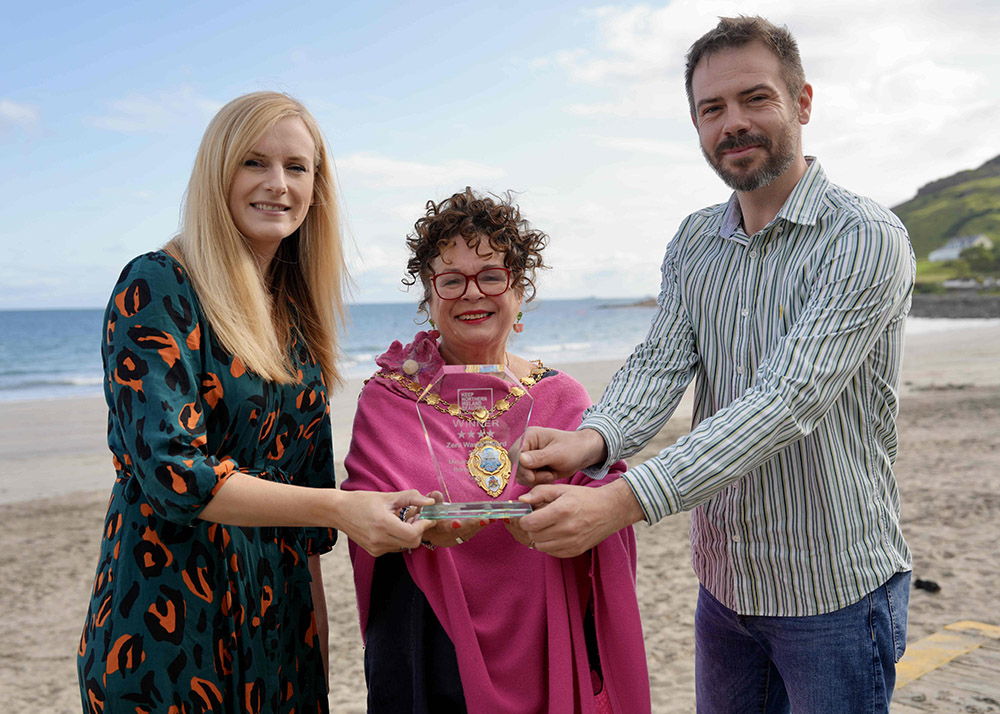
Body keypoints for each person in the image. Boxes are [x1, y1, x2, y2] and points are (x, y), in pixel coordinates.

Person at [516, 16, 915, 714]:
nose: (733, 122)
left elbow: (786, 401)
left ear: (803, 103)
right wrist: (593, 437)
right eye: (712, 109)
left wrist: (619, 501)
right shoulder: (696, 239)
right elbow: (660, 364)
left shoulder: (866, 238)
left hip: (835, 593)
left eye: (755, 98)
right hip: (726, 587)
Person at [76, 91, 434, 714]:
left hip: (282, 638)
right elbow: (174, 475)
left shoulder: (296, 319)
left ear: (317, 188)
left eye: (297, 168)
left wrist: (316, 661)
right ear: (218, 173)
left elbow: (310, 519)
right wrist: (345, 511)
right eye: (253, 163)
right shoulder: (158, 284)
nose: (277, 184)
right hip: (169, 633)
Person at [341, 188, 650, 714]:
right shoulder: (387, 398)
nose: (471, 293)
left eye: (491, 276)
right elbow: (362, 515)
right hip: (428, 642)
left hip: (547, 634)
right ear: (428, 293)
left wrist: (567, 514)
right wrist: (415, 525)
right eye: (451, 279)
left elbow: (606, 516)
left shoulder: (562, 396)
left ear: (519, 290)